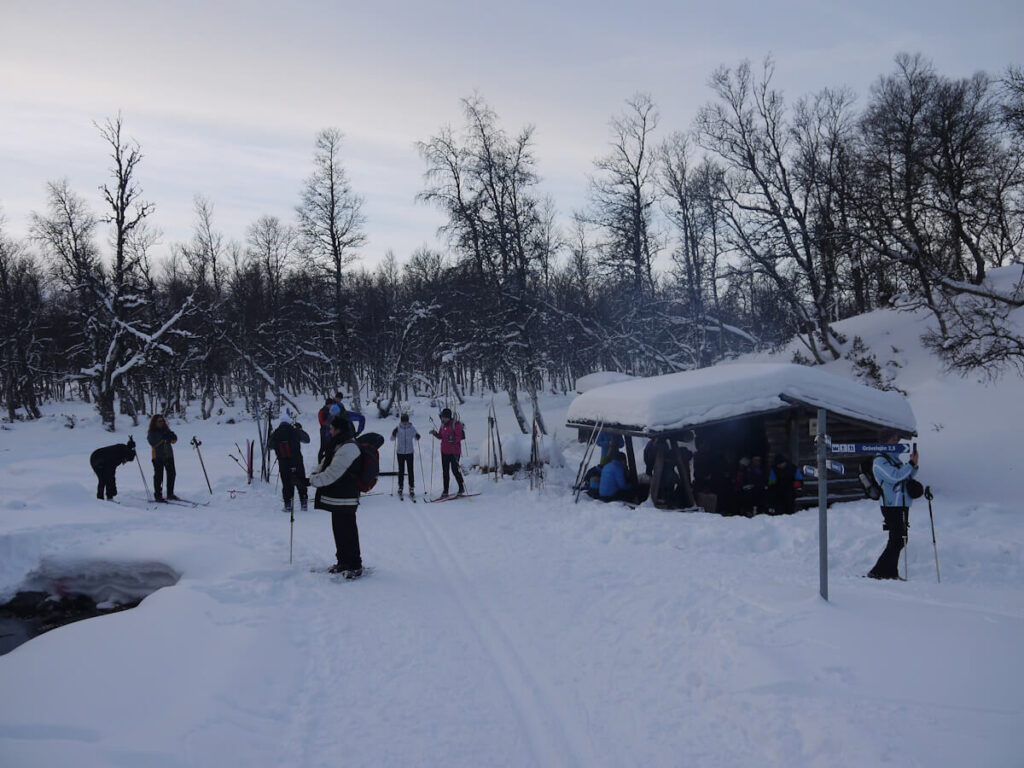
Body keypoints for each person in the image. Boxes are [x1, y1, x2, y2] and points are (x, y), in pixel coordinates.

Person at [308, 414, 364, 578]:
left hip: (346, 496)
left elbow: (333, 473)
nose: (329, 432)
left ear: (339, 429)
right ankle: (343, 562)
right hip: (338, 496)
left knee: (348, 531)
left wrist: (312, 481)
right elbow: (325, 465)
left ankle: (354, 564)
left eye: (331, 429)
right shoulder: (339, 445)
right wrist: (312, 476)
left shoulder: (349, 448)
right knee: (339, 530)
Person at [868, 431, 920, 580]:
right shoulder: (880, 460)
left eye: (897, 439)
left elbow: (905, 476)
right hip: (891, 505)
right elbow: (894, 477)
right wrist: (909, 465)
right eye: (893, 439)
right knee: (897, 539)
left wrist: (913, 466)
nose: (897, 442)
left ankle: (890, 572)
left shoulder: (894, 459)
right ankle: (878, 571)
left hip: (902, 503)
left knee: (901, 538)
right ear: (885, 441)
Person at [270, 411, 310, 513]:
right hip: (297, 461)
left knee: (286, 484)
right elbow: (307, 439)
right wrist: (299, 429)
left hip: (283, 463)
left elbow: (269, 446)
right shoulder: (295, 431)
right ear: (289, 422)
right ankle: (304, 503)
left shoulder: (276, 433)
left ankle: (288, 505)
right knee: (301, 481)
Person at [429, 408, 466, 497]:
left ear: (449, 417)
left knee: (455, 470)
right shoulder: (443, 425)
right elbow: (441, 436)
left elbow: (459, 436)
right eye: (442, 417)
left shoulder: (456, 425)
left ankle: (461, 488)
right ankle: (445, 491)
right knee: (445, 471)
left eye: (445, 418)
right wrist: (435, 433)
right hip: (444, 451)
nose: (443, 419)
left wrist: (453, 439)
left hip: (454, 451)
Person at [147, 414, 178, 501]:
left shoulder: (166, 430)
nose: (161, 423)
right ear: (155, 422)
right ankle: (158, 495)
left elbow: (173, 441)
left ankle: (170, 493)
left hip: (168, 456)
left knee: (172, 474)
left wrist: (173, 437)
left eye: (163, 421)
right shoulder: (152, 432)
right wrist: (163, 439)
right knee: (158, 476)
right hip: (157, 457)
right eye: (159, 421)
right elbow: (153, 444)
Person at [390, 413, 420, 499]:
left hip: (410, 452)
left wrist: (417, 436)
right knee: (401, 470)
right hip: (400, 452)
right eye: (403, 422)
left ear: (408, 421)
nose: (405, 423)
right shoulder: (398, 428)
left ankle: (411, 487)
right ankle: (400, 487)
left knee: (410, 470)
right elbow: (392, 439)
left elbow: (416, 437)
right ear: (401, 421)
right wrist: (393, 433)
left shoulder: (412, 428)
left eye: (406, 422)